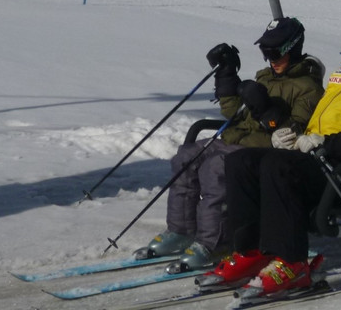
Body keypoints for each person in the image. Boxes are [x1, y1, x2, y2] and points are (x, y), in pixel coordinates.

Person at [205, 0, 341, 297]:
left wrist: (329, 143)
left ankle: (293, 264)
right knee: (241, 162)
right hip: (315, 160)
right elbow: (318, 119)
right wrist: (288, 136)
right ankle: (251, 251)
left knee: (277, 166)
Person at [136, 17, 324, 272]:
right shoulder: (265, 76)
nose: (270, 59)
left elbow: (293, 132)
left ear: (292, 48)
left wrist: (266, 110)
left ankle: (216, 242)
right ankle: (181, 231)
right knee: (185, 157)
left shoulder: (308, 88)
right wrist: (226, 77)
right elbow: (234, 114)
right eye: (264, 52)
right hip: (235, 139)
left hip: (262, 151)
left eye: (274, 52)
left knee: (215, 170)